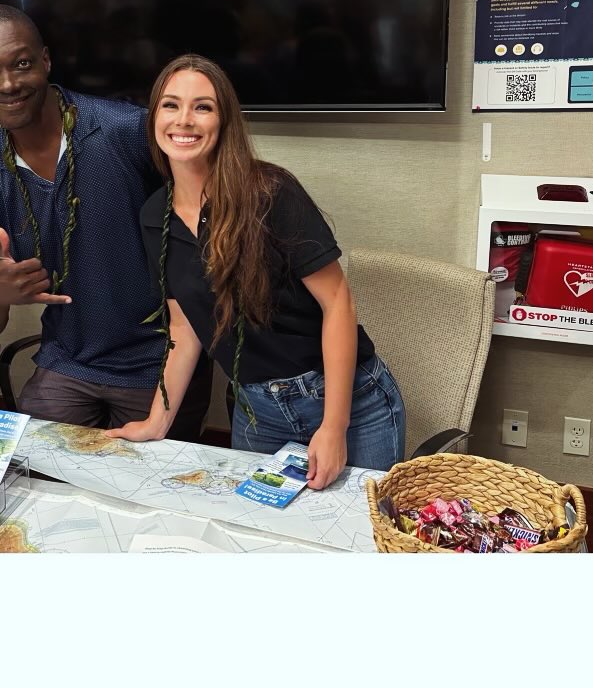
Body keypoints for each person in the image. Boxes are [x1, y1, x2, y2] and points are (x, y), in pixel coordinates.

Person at [106, 54, 406, 488]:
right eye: (170, 105)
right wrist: (157, 420)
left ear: (224, 120)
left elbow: (337, 301)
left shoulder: (270, 191)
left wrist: (334, 426)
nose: (184, 120)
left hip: (350, 404)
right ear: (154, 117)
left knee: (359, 539)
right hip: (256, 411)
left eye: (202, 106)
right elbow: (184, 327)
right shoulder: (156, 216)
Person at [0, 5, 211, 438]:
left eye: (21, 63)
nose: (6, 83)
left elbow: (209, 214)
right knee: (31, 474)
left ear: (46, 61)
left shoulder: (124, 131)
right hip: (67, 363)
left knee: (151, 491)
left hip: (157, 358)